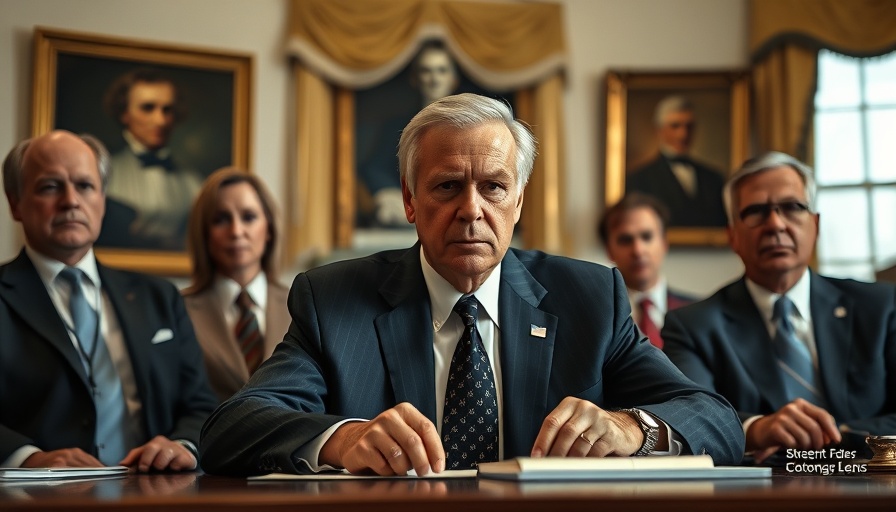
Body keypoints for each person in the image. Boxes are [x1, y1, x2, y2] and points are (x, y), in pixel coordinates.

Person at [199, 93, 744, 477]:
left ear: (520, 200)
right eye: (447, 186)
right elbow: (231, 429)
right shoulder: (335, 300)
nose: (471, 211)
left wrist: (632, 430)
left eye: (494, 187)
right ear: (410, 202)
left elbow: (718, 420)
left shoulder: (589, 297)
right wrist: (342, 439)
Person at [0, 130, 218, 471]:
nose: (71, 200)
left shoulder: (159, 297)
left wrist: (182, 444)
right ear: (15, 202)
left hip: (153, 491)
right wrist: (28, 458)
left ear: (103, 198)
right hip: (34, 498)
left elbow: (201, 404)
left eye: (85, 186)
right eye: (50, 186)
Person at [662, 151, 896, 464]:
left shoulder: (880, 308)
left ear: (815, 224)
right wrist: (757, 429)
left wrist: (830, 434)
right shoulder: (692, 326)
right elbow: (691, 417)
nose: (775, 224)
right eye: (756, 211)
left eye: (791, 207)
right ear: (732, 235)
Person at [182, 167, 290, 401]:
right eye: (221, 219)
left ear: (269, 229)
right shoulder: (178, 310)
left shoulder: (301, 306)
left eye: (248, 217)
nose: (236, 231)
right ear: (204, 233)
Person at [98, 68, 203, 250]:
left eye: (167, 110)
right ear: (124, 113)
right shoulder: (101, 174)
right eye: (148, 108)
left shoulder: (194, 182)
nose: (160, 120)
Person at [357, 41, 460, 228]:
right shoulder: (397, 126)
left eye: (442, 70)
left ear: (453, 79)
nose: (434, 79)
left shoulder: (471, 127)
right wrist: (388, 192)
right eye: (426, 71)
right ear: (415, 78)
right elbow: (374, 167)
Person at [598, 193, 695, 348]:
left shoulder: (697, 313)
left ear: (664, 243)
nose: (638, 250)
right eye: (625, 240)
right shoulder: (598, 319)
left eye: (647, 236)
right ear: (609, 250)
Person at [626, 95, 727, 228]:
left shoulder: (714, 178)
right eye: (675, 126)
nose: (683, 134)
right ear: (659, 130)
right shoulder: (639, 179)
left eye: (689, 126)